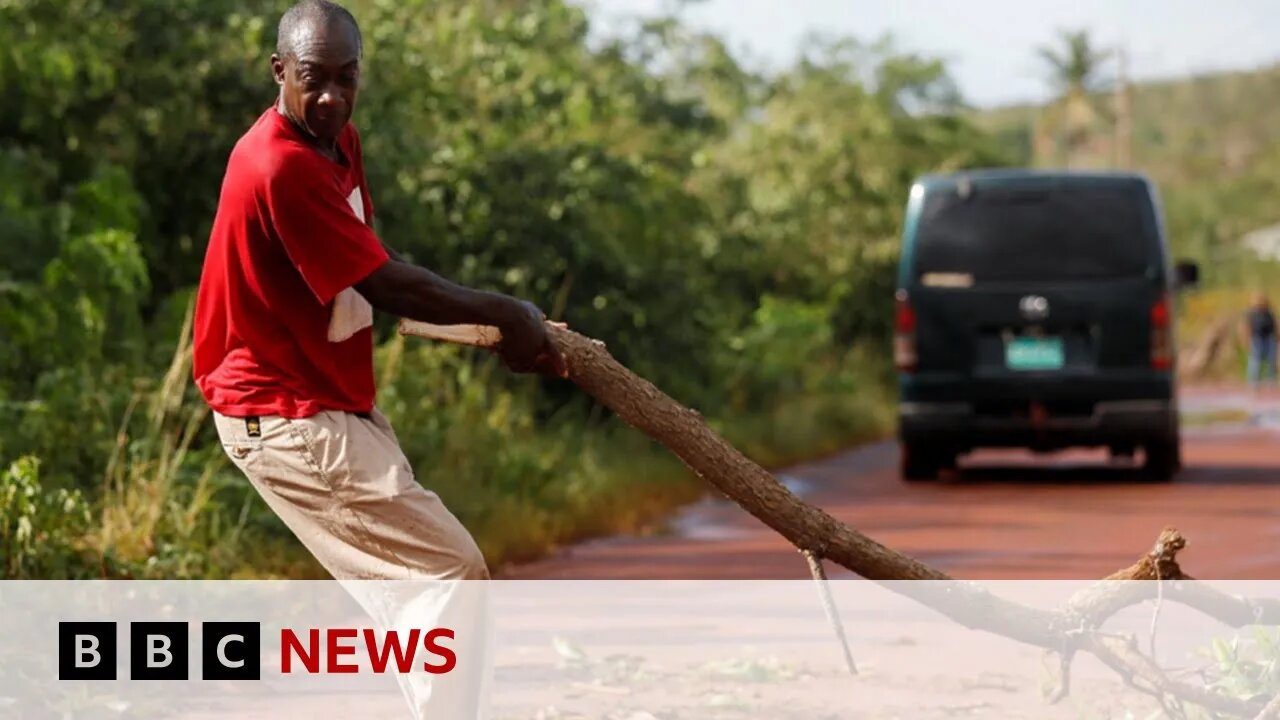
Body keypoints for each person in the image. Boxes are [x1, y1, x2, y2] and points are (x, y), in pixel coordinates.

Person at [192, 1, 565, 714]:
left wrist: (505, 335)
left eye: (347, 77)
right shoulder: (280, 165)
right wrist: (508, 313)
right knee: (449, 574)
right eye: (313, 79)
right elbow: (386, 282)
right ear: (279, 72)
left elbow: (369, 258)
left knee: (416, 601)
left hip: (327, 400)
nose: (332, 97)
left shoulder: (337, 141)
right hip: (284, 412)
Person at [1244, 292, 1277, 390]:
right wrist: (1247, 340)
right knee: (1255, 362)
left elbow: (1275, 326)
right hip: (1256, 339)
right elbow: (1246, 327)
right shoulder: (1251, 314)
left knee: (1271, 361)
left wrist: (1277, 339)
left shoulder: (1269, 313)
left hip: (1269, 339)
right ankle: (1253, 383)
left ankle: (1271, 381)